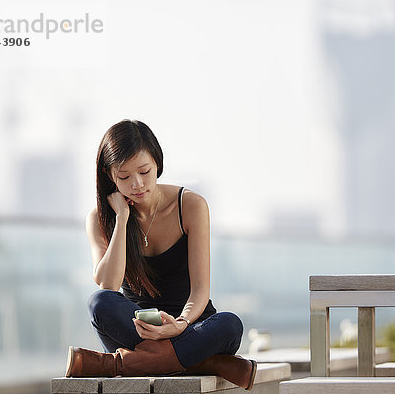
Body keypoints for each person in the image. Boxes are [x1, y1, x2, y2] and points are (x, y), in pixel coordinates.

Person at [65, 120, 257, 390]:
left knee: (230, 324)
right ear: (109, 175)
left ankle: (116, 364)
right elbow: (107, 285)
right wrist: (121, 218)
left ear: (157, 162)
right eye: (124, 177)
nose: (137, 184)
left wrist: (180, 325)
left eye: (144, 171)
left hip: (191, 327)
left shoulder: (190, 205)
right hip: (138, 329)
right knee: (99, 303)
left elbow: (200, 290)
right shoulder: (100, 219)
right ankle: (204, 362)